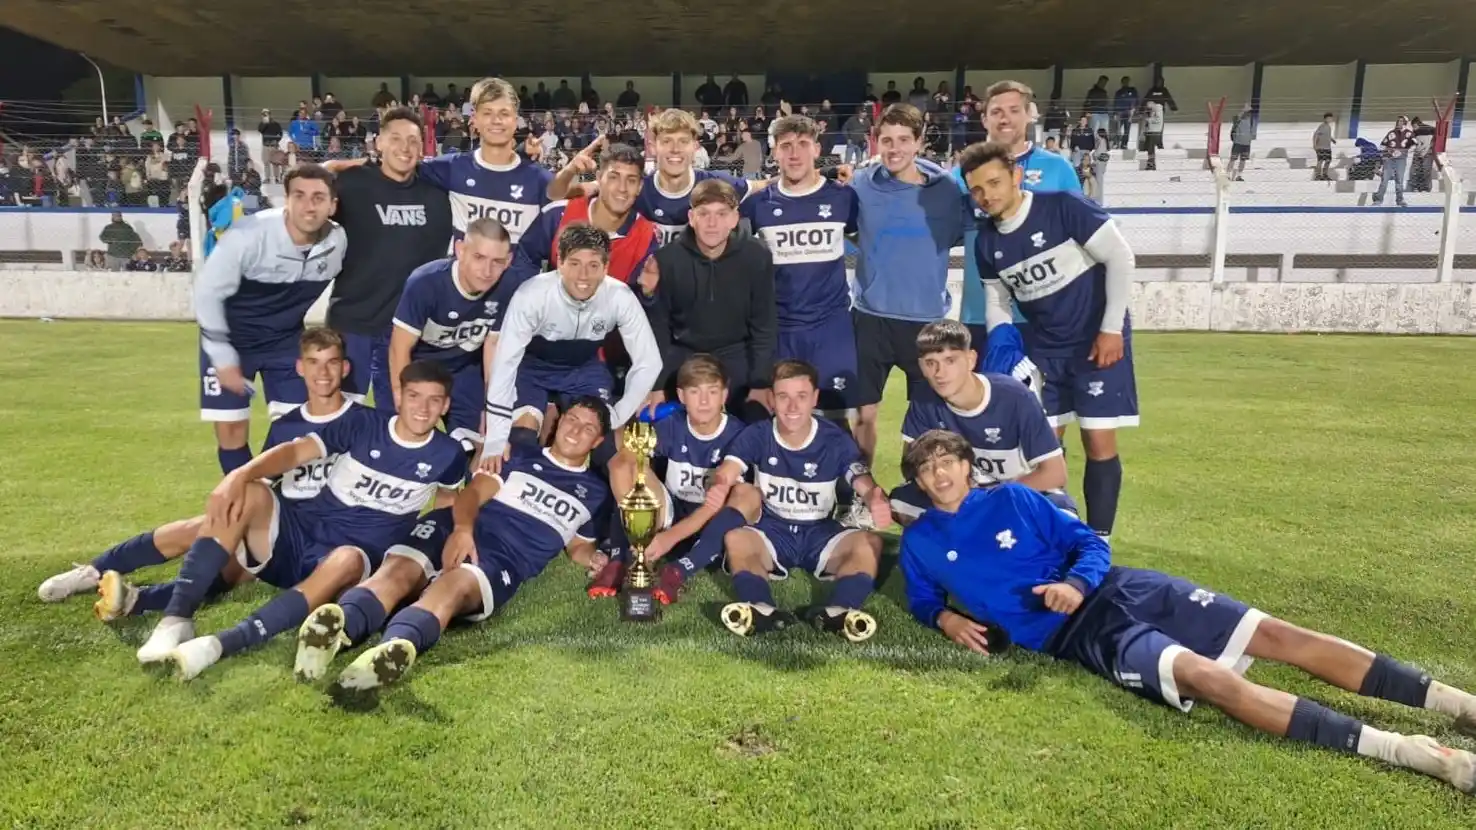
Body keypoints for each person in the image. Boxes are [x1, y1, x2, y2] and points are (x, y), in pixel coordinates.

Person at [897, 430, 1476, 795]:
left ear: (969, 465)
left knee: (1276, 634)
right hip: (1081, 633)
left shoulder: (1014, 498)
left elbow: (1092, 544)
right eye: (926, 469)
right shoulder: (922, 541)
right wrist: (943, 619)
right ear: (919, 483)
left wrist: (1074, 582)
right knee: (1207, 678)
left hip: (1126, 587)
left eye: (947, 460)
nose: (939, 474)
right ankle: (1413, 752)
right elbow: (923, 598)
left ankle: (1457, 704)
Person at [136, 361, 468, 680]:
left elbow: (446, 507)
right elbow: (295, 453)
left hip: (350, 558)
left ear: (445, 405)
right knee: (249, 492)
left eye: (433, 400)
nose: (422, 408)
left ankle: (221, 643)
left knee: (347, 559)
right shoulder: (364, 423)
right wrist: (239, 474)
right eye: (414, 397)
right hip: (299, 534)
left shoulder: (448, 453)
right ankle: (176, 618)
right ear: (399, 396)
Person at [306, 400, 613, 696]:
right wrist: (463, 530)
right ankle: (337, 629)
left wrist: (594, 559)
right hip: (457, 524)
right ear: (559, 420)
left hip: (505, 556)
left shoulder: (597, 492)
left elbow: (577, 545)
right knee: (400, 571)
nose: (575, 429)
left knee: (453, 586)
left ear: (597, 441)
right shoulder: (517, 455)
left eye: (587, 428)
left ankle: (388, 653)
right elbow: (472, 494)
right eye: (572, 418)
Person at [38, 328, 357, 608]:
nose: (323, 373)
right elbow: (264, 478)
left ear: (344, 368)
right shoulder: (288, 426)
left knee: (228, 573)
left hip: (330, 538)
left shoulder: (366, 423)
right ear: (300, 368)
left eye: (331, 362)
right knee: (208, 528)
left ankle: (137, 599)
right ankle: (94, 571)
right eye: (314, 363)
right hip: (284, 528)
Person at [961, 141, 1136, 541]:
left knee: (1097, 438)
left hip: (1094, 342)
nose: (987, 195)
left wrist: (1110, 328)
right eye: (977, 189)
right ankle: (1054, 535)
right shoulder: (986, 241)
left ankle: (1100, 539)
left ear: (1016, 177)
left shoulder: (1063, 206)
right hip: (1044, 347)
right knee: (1042, 448)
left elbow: (1120, 257)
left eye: (994, 182)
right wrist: (1001, 341)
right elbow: (997, 299)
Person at [678, 360, 892, 641]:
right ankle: (760, 608)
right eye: (783, 397)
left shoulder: (834, 439)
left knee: (870, 542)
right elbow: (729, 469)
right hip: (773, 529)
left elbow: (860, 478)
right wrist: (720, 483)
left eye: (801, 397)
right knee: (736, 538)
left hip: (820, 531)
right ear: (771, 399)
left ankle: (839, 612)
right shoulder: (757, 435)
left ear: (815, 398)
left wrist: (874, 496)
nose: (792, 408)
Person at [195, 164, 347, 475]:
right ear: (286, 201)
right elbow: (206, 295)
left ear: (332, 205)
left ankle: (267, 493)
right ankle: (245, 504)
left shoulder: (338, 242)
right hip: (233, 341)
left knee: (301, 428)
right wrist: (223, 359)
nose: (309, 205)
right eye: (299, 196)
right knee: (232, 433)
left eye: (319, 197)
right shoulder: (247, 236)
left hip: (285, 340)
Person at [479, 223, 662, 471]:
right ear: (560, 262)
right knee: (518, 444)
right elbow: (504, 364)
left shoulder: (620, 296)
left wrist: (618, 414)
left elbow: (649, 361)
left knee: (605, 446)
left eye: (593, 266)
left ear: (606, 267)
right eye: (575, 264)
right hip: (532, 370)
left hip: (582, 370)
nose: (583, 276)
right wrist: (496, 438)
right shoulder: (532, 294)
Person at [847, 103, 970, 468]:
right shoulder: (860, 184)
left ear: (919, 143)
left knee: (926, 421)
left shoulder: (948, 191)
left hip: (926, 323)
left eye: (903, 140)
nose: (894, 148)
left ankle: (912, 492)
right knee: (865, 415)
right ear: (875, 142)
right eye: (887, 140)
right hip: (871, 319)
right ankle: (860, 494)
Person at [323, 106, 454, 409]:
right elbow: (313, 181)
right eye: (395, 139)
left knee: (396, 417)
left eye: (412, 141)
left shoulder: (437, 194)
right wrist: (335, 164)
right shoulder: (353, 183)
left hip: (404, 331)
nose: (404, 148)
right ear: (378, 143)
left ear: (422, 148)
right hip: (352, 323)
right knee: (338, 415)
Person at [591, 354, 748, 601]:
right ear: (682, 396)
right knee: (623, 465)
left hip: (712, 520)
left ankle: (680, 569)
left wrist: (668, 539)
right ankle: (625, 557)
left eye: (713, 391)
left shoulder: (739, 435)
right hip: (673, 511)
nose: (704, 401)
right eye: (695, 392)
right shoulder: (671, 425)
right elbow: (626, 457)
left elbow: (714, 504)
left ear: (725, 395)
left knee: (744, 495)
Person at [954, 80, 1080, 378]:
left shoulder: (1058, 170)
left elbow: (1083, 240)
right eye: (996, 111)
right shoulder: (962, 176)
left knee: (1046, 412)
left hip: (1046, 315)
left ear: (1029, 115)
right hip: (981, 312)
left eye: (1013, 110)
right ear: (984, 119)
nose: (1005, 118)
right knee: (984, 410)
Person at [889, 320, 1072, 523]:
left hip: (1019, 491)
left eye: (950, 360)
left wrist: (989, 500)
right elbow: (912, 467)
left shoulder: (1015, 397)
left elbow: (1055, 474)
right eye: (931, 363)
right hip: (963, 496)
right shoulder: (924, 398)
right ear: (921, 366)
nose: (939, 373)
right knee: (901, 503)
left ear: (971, 359)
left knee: (1062, 518)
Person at [741, 116, 859, 418]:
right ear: (775, 152)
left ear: (817, 150)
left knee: (837, 418)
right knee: (780, 418)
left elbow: (870, 243)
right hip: (780, 329)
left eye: (803, 144)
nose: (794, 153)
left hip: (831, 328)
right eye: (786, 146)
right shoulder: (757, 205)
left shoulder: (844, 197)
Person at [647, 178, 776, 418]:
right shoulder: (666, 260)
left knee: (755, 418)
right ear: (691, 217)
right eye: (704, 213)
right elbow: (659, 327)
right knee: (662, 420)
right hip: (685, 352)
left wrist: (760, 382)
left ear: (734, 218)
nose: (712, 223)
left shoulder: (756, 256)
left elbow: (764, 325)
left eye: (721, 214)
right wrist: (657, 384)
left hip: (736, 351)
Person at [388, 218, 518, 453]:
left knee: (476, 442)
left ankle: (462, 487)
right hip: (416, 366)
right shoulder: (426, 282)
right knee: (401, 440)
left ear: (508, 261)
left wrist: (491, 406)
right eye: (479, 257)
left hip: (463, 366)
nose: (487, 271)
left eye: (497, 262)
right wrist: (400, 393)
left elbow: (493, 346)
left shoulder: (509, 287)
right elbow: (400, 347)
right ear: (460, 250)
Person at [548, 109, 763, 247]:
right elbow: (556, 194)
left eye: (683, 141)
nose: (675, 149)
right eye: (667, 141)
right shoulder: (637, 187)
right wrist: (569, 171)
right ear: (653, 146)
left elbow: (769, 186)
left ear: (695, 146)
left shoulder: (715, 185)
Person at [512, 141, 660, 293]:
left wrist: (648, 295)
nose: (622, 188)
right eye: (613, 177)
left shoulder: (647, 236)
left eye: (631, 180)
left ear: (640, 187)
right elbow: (524, 260)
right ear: (599, 178)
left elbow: (642, 299)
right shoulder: (559, 214)